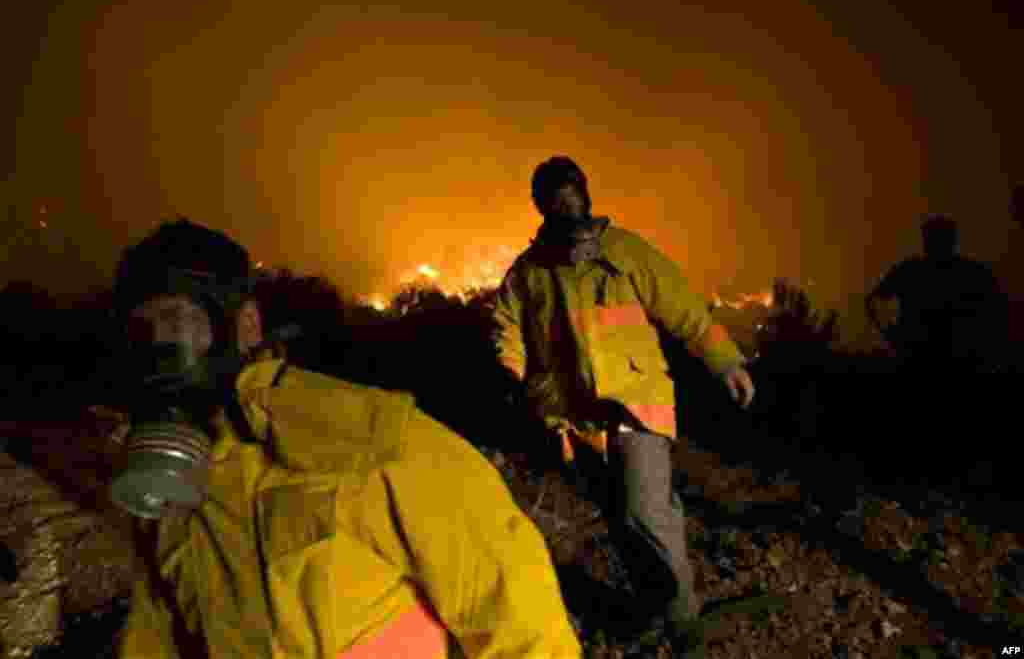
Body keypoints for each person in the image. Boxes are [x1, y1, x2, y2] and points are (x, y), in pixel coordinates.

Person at [112, 218, 581, 658]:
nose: (159, 349)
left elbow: (508, 594)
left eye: (177, 322)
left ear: (244, 326)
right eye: (141, 331)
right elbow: (155, 634)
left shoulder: (359, 439)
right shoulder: (165, 486)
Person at [492, 157, 756, 652]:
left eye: (572, 194)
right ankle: (656, 606)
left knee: (645, 511)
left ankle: (682, 620)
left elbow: (683, 308)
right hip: (574, 417)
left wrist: (725, 362)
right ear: (541, 206)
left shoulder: (625, 252)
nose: (566, 205)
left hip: (638, 405)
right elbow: (505, 327)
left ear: (585, 195)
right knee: (618, 516)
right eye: (555, 198)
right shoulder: (530, 271)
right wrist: (514, 375)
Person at [866, 215, 1008, 371]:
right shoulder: (970, 272)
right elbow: (998, 309)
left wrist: (890, 333)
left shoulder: (911, 270)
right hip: (935, 356)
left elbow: (872, 301)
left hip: (934, 356)